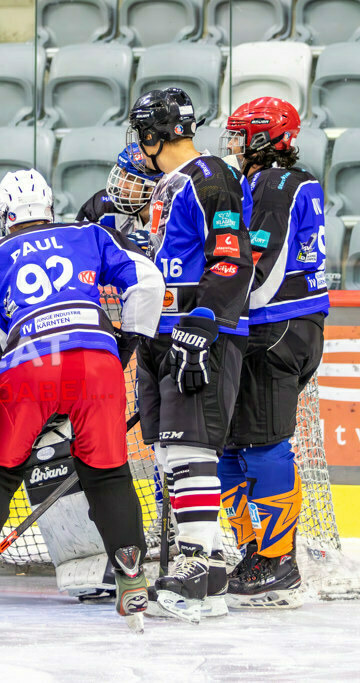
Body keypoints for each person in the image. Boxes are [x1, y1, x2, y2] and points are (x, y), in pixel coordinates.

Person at [0, 169, 165, 635]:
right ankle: (131, 573)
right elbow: (147, 281)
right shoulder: (91, 233)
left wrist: (29, 405)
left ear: (4, 216)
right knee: (107, 474)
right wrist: (125, 346)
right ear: (51, 209)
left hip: (27, 363)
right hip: (94, 360)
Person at [126, 88, 254, 622]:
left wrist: (203, 322)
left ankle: (204, 559)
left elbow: (232, 259)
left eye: (141, 136)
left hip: (197, 335)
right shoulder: (168, 186)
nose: (138, 146)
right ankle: (196, 560)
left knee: (189, 446)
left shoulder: (212, 177)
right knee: (162, 449)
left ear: (154, 135)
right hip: (161, 334)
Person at [218, 97, 328, 609]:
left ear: (263, 138)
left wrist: (217, 310)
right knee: (234, 445)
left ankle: (278, 559)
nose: (235, 145)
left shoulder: (276, 183)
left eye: (241, 136)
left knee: (262, 444)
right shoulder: (269, 182)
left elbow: (264, 264)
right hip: (286, 327)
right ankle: (258, 551)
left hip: (275, 327)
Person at [76, 143, 163, 250]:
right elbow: (78, 248)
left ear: (154, 185)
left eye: (130, 179)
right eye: (121, 175)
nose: (120, 185)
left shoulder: (174, 212)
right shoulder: (103, 204)